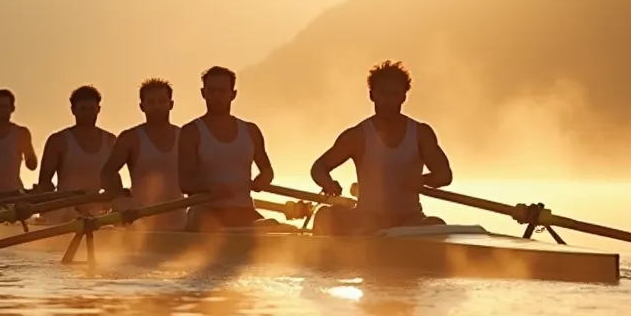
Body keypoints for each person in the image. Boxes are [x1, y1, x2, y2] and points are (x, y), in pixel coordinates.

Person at [309, 60, 453, 235]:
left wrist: (422, 180)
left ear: (403, 97)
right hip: (366, 219)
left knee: (438, 224)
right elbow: (319, 167)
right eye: (383, 94)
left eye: (394, 94)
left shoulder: (421, 134)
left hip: (410, 220)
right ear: (372, 95)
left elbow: (444, 175)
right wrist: (328, 183)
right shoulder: (357, 136)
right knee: (325, 215)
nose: (389, 101)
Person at [178, 66, 277, 231]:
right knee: (215, 233)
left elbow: (267, 170)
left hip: (244, 210)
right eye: (212, 91)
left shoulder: (251, 130)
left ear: (233, 94)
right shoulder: (191, 132)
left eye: (222, 91)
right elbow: (185, 183)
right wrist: (210, 188)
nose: (217, 96)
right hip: (205, 212)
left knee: (273, 228)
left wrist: (263, 180)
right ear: (204, 93)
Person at [100, 78, 185, 229]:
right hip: (140, 220)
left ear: (171, 104)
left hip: (180, 220)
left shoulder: (185, 136)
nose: (157, 106)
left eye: (161, 101)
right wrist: (122, 199)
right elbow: (107, 173)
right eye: (151, 102)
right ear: (142, 106)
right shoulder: (130, 138)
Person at [36, 85, 116, 221]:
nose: (88, 113)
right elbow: (44, 182)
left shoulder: (111, 140)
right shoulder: (58, 140)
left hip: (98, 211)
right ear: (73, 110)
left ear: (98, 109)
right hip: (65, 211)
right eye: (83, 109)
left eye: (92, 109)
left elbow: (113, 181)